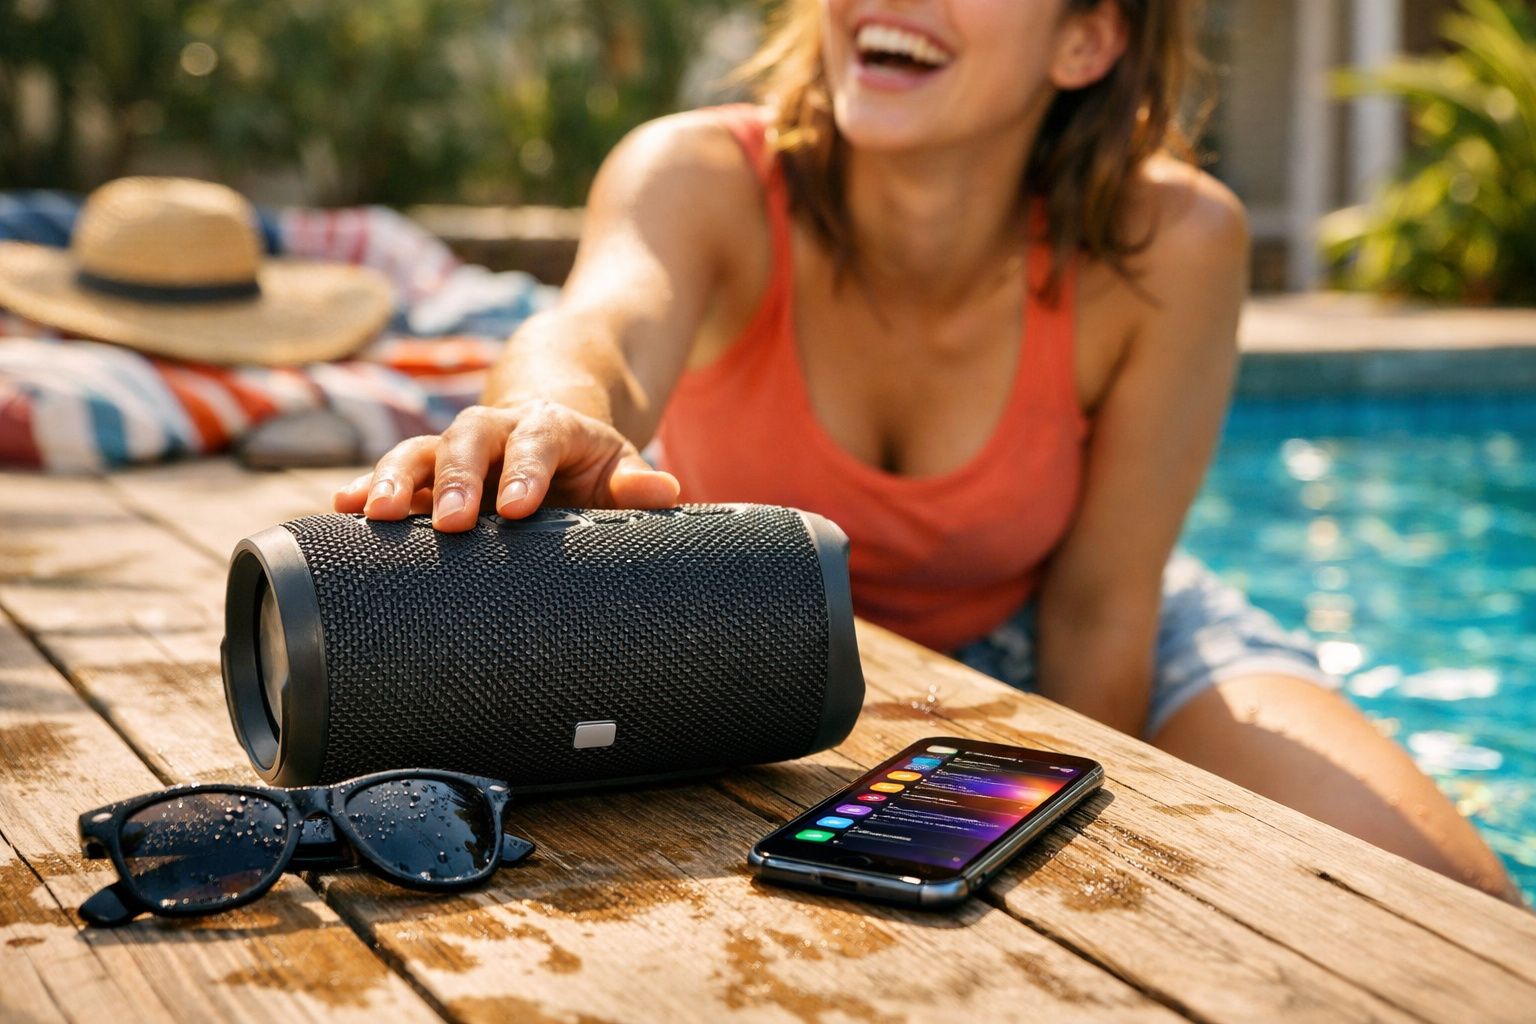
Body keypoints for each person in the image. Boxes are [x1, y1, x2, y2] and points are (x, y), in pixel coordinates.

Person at [335, 0, 1519, 902]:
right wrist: (552, 410)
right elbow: (596, 332)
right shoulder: (698, 175)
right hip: (763, 640)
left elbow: (1106, 604)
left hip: (1089, 621)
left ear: (1087, 41)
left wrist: (1070, 835)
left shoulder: (1173, 240)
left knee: (1466, 915)